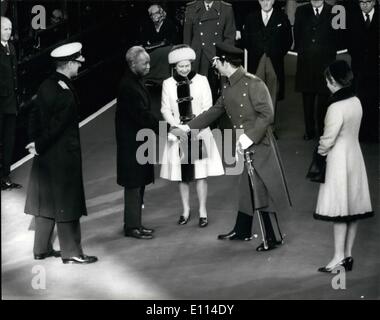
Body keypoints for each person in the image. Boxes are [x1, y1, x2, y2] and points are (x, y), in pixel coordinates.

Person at [178, 43, 292, 251]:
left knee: (261, 189)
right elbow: (215, 110)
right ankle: (243, 230)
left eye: (216, 61)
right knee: (247, 188)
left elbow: (267, 114)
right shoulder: (229, 85)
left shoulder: (253, 83)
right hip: (245, 145)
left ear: (225, 62)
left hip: (259, 144)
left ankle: (273, 237)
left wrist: (250, 137)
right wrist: (187, 128)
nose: (214, 64)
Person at [24, 42, 97, 264]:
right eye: (77, 63)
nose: (79, 67)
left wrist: (34, 143)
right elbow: (58, 126)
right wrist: (40, 144)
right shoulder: (65, 92)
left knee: (45, 202)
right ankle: (72, 252)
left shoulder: (45, 85)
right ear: (69, 64)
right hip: (63, 156)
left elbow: (33, 116)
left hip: (44, 157)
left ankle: (41, 249)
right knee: (69, 202)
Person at [116, 46, 186, 239]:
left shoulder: (134, 82)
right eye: (144, 63)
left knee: (138, 184)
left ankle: (135, 223)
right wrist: (168, 129)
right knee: (134, 186)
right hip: (133, 145)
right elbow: (143, 116)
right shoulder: (129, 87)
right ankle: (132, 227)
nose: (149, 66)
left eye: (148, 62)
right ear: (132, 64)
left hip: (138, 143)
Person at [314, 60, 374, 272]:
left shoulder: (335, 107)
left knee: (339, 210)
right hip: (355, 157)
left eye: (327, 80)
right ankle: (348, 255)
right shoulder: (356, 101)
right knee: (353, 208)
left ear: (332, 81)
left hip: (338, 160)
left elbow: (327, 139)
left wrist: (320, 154)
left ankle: (338, 256)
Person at [160, 44, 224, 227]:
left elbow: (208, 107)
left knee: (201, 174)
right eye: (180, 66)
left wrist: (191, 126)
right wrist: (177, 127)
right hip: (178, 133)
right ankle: (185, 209)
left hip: (199, 131)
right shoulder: (167, 84)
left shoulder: (202, 80)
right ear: (174, 66)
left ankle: (203, 210)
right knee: (183, 175)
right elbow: (165, 109)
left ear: (191, 63)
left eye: (187, 65)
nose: (184, 69)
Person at [242, 0, 292, 134]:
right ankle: (257, 127)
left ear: (273, 1)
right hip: (256, 61)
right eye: (263, 0)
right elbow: (246, 40)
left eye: (269, 0)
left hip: (274, 63)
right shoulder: (250, 18)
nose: (266, 3)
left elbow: (288, 41)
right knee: (255, 93)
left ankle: (270, 127)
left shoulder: (282, 17)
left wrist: (277, 53)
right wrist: (255, 51)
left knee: (272, 94)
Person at [294, 0, 338, 140]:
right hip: (306, 62)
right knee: (307, 98)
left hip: (325, 63)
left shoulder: (336, 11)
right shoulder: (301, 10)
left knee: (324, 99)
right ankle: (309, 131)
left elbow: (339, 37)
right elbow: (297, 34)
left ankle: (322, 131)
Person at [183, 0, 236, 101]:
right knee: (195, 93)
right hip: (197, 57)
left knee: (213, 95)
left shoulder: (226, 8)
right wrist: (187, 57)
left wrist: (221, 56)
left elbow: (229, 37)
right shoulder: (191, 8)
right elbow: (187, 38)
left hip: (216, 57)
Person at [347, 0, 378, 142]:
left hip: (376, 67)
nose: (364, 5)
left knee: (375, 99)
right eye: (361, 2)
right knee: (359, 99)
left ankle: (374, 132)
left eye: (368, 1)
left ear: (375, 2)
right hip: (358, 67)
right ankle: (360, 133)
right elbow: (348, 39)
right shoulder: (352, 17)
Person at [0, 16, 22, 190]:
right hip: (1, 103)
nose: (8, 32)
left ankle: (5, 176)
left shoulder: (11, 47)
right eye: (5, 28)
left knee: (9, 140)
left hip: (11, 103)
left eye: (10, 29)